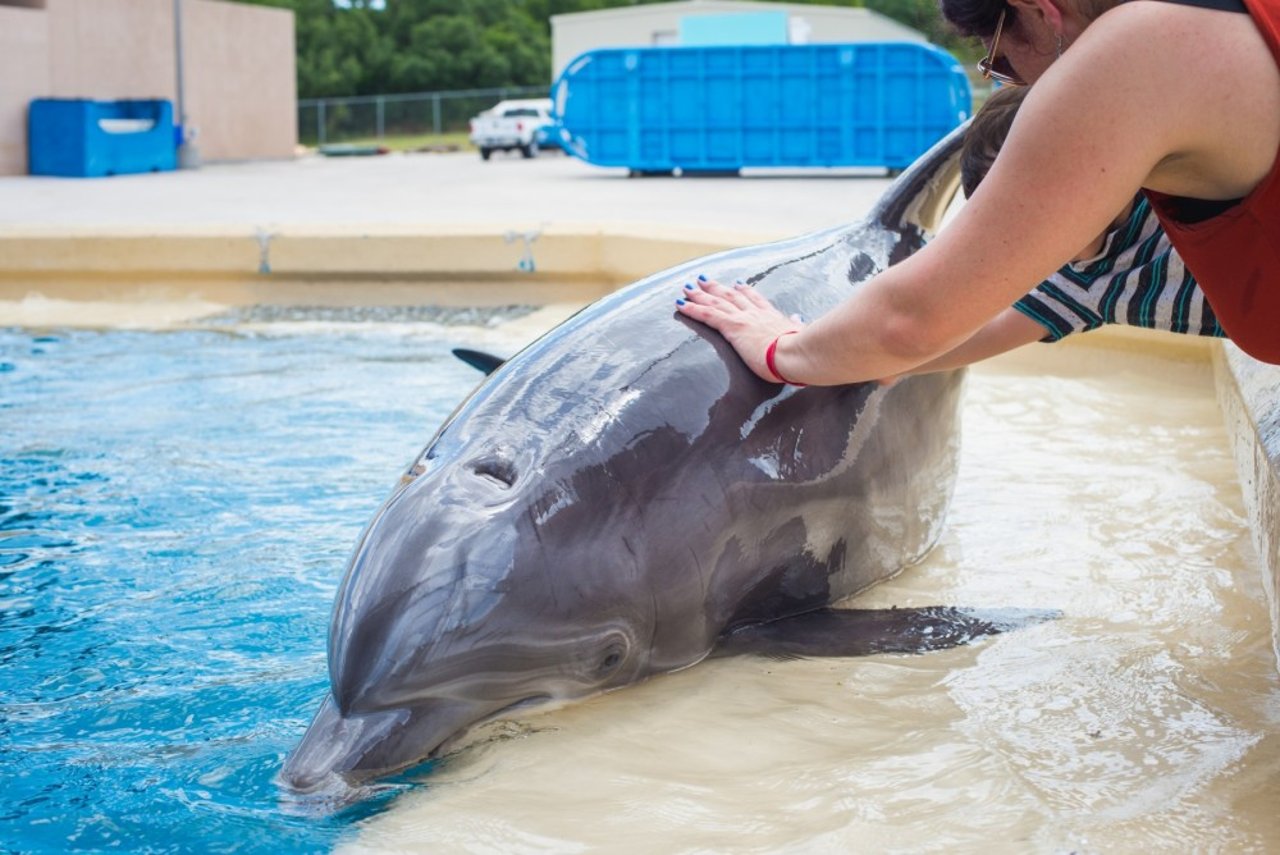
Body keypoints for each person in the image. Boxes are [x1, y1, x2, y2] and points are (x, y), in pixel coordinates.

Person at [675, 0, 1280, 385]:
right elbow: (951, 331)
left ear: (1040, 10)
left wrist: (781, 351)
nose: (1019, 86)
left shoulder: (1141, 49)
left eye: (1001, 61)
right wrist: (874, 363)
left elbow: (911, 322)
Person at [901, 85, 1224, 378]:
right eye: (1010, 214)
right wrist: (879, 365)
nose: (1035, 216)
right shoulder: (1081, 283)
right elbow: (944, 346)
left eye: (1043, 184)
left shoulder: (1170, 180)